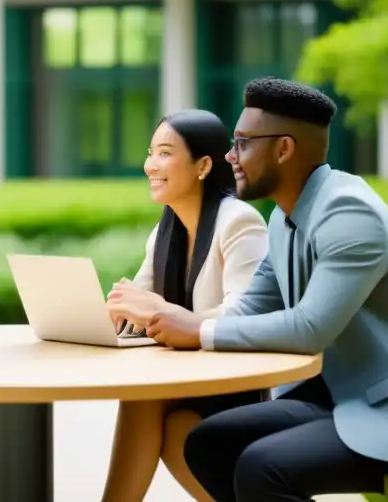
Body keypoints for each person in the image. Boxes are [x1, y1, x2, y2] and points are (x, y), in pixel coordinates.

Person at [130, 77, 388, 501]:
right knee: (206, 445)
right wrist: (168, 321)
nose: (230, 156)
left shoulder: (349, 213)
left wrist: (199, 331)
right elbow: (251, 306)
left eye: (242, 143)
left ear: (283, 149)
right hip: (340, 401)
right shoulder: (285, 218)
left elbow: (311, 327)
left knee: (263, 468)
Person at [101, 109, 269, 502]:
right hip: (187, 385)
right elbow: (136, 304)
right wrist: (110, 313)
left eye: (163, 153)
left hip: (234, 381)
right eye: (150, 153)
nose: (149, 165)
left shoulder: (239, 222)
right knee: (174, 427)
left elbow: (247, 314)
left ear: (204, 166)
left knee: (151, 400)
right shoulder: (166, 229)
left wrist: (165, 315)